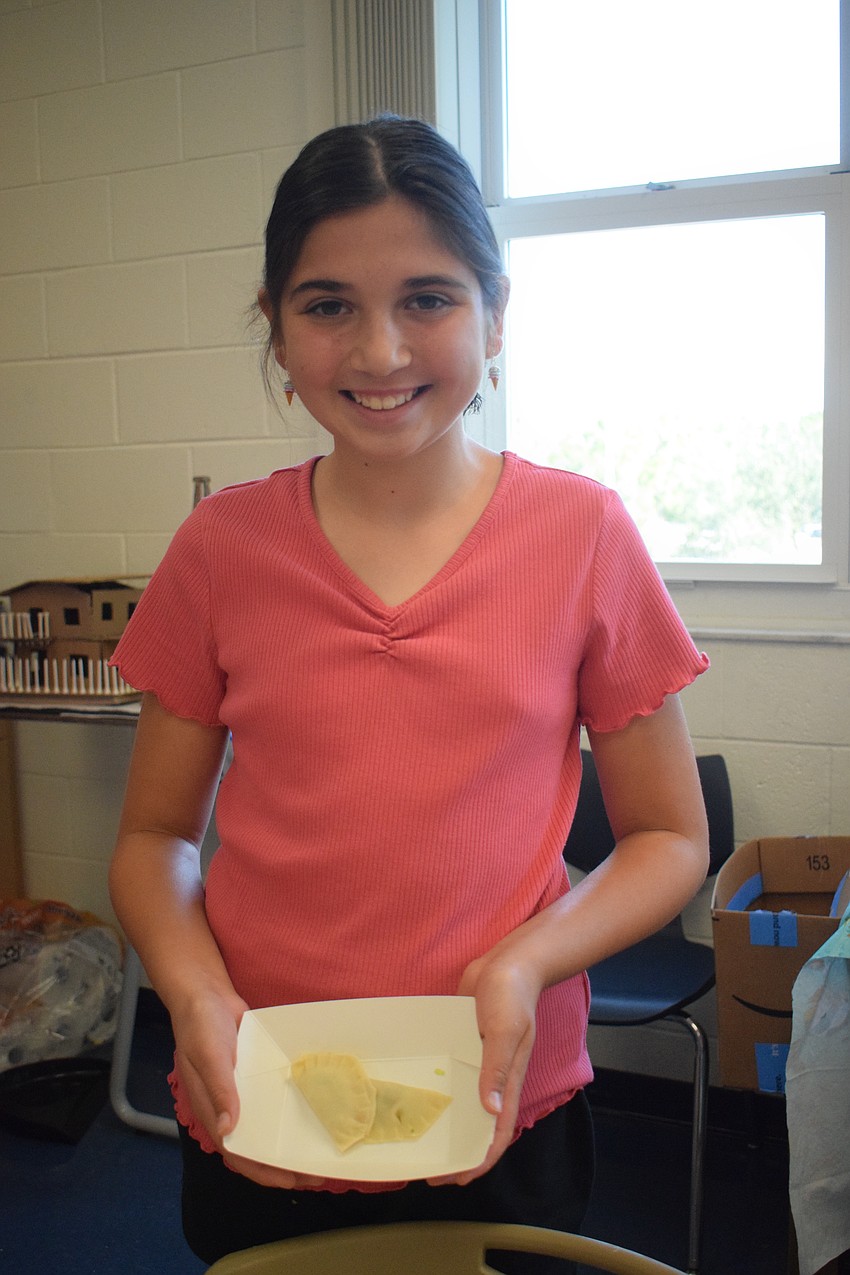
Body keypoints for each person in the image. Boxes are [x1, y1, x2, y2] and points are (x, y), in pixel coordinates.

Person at [108, 114, 710, 1272]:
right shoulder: (221, 549)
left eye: (427, 298)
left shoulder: (581, 534)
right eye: (327, 304)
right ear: (277, 331)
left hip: (500, 1092)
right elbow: (151, 836)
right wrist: (191, 996)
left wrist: (528, 960)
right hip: (264, 1092)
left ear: (495, 314)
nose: (379, 352)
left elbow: (668, 838)